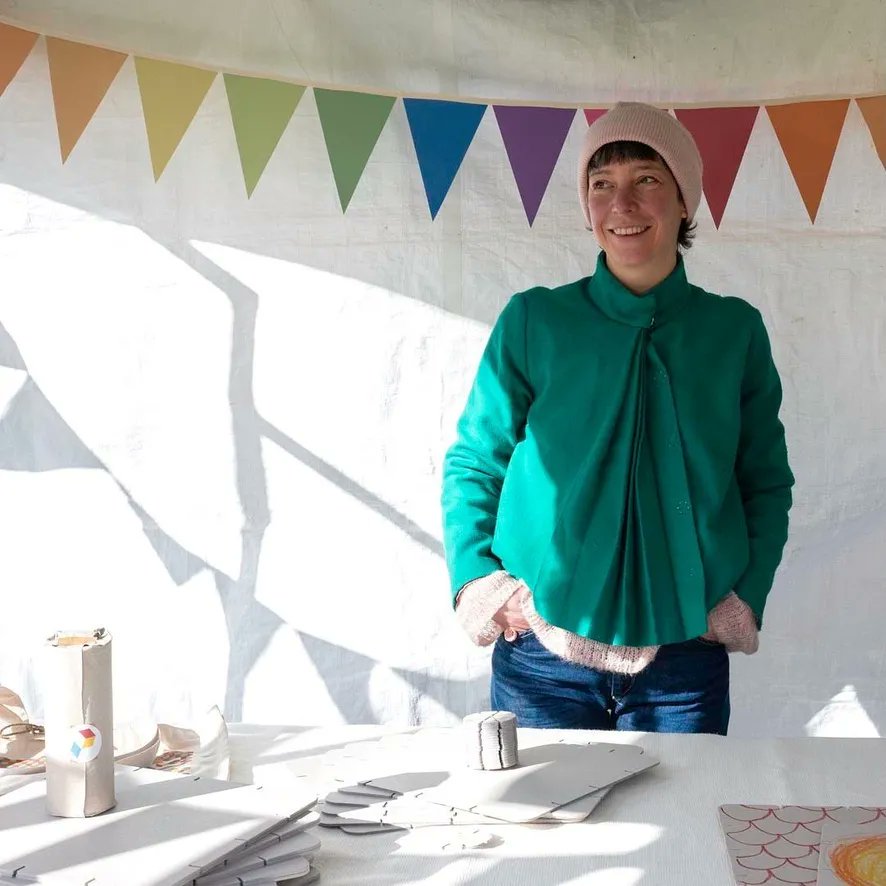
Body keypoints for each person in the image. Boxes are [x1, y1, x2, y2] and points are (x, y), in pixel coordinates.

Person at [441, 102, 794, 735]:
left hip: (687, 657)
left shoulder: (733, 330)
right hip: (540, 656)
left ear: (684, 199)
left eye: (646, 180)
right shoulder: (533, 321)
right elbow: (476, 460)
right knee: (542, 829)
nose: (620, 205)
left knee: (683, 828)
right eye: (601, 185)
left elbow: (764, 480)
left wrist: (743, 599)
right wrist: (479, 582)